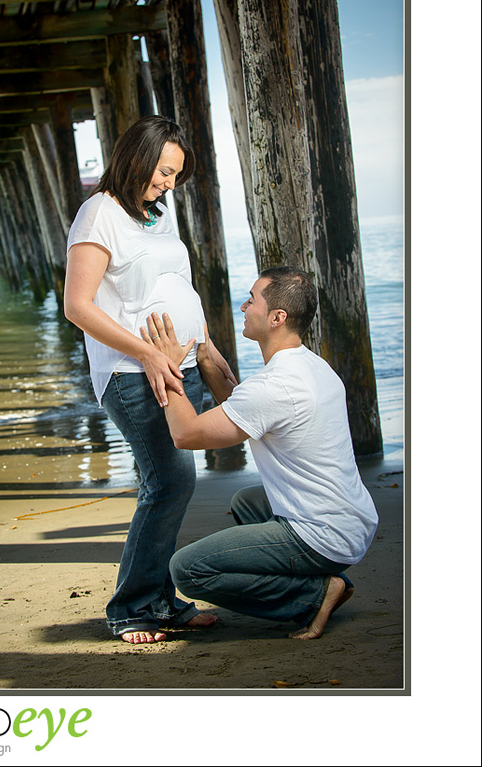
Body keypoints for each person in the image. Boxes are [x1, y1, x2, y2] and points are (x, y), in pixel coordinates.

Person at [64, 115, 234, 644]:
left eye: (177, 175)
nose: (170, 184)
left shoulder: (157, 214)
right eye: (164, 171)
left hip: (178, 363)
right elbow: (77, 306)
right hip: (130, 371)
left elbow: (175, 284)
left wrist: (205, 345)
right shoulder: (99, 215)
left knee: (169, 481)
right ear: (137, 157)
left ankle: (158, 600)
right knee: (171, 480)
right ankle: (133, 607)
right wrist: (147, 353)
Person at [141, 266, 379, 640]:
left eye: (252, 300)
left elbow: (186, 434)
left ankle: (313, 595)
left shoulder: (276, 387)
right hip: (352, 519)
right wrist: (206, 358)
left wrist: (164, 364)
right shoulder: (310, 366)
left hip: (323, 534)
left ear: (277, 317)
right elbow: (241, 408)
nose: (243, 306)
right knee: (246, 502)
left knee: (187, 569)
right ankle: (317, 580)